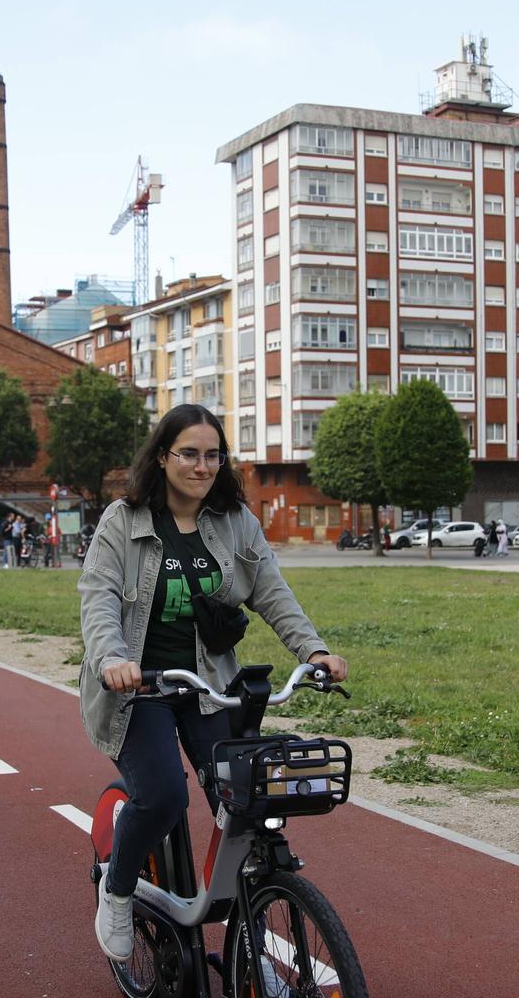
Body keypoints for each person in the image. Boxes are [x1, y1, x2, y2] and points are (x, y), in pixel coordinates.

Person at [79, 403, 347, 963]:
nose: (202, 466)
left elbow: (272, 590)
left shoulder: (234, 522)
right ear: (162, 457)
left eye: (212, 455)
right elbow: (99, 600)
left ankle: (249, 952)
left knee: (248, 803)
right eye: (189, 454)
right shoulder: (122, 522)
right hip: (139, 690)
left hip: (207, 686)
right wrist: (112, 659)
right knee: (164, 795)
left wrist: (313, 649)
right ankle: (119, 889)